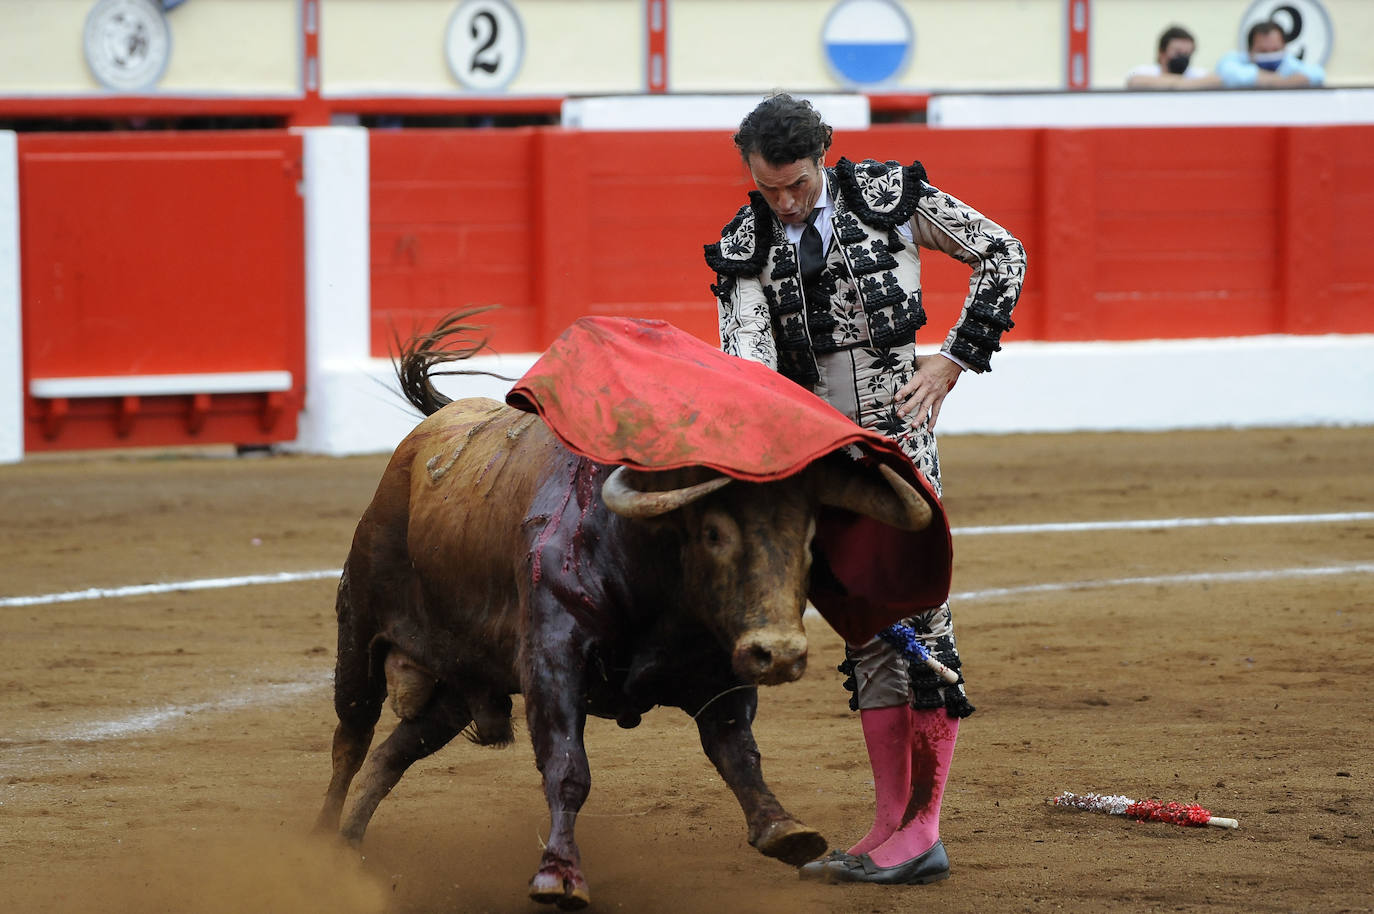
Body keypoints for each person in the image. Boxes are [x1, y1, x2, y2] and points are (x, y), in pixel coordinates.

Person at [704, 93, 1025, 886]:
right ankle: (889, 824)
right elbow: (748, 363)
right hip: (818, 465)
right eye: (769, 188)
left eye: (799, 185)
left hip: (898, 449)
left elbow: (1003, 251)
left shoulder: (889, 200)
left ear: (825, 158)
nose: (785, 202)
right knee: (867, 630)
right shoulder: (745, 245)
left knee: (923, 625)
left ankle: (924, 829)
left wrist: (953, 358)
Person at [1215, 20, 1325, 88]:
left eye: (1275, 50)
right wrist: (1282, 81)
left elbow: (1317, 74)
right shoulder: (1235, 59)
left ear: (1284, 48)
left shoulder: (1289, 62)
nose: (1270, 55)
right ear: (1250, 51)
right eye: (1263, 51)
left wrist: (1268, 81)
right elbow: (1227, 75)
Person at [1125, 25, 1221, 89]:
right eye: (1178, 52)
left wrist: (1172, 83)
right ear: (1161, 52)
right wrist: (1185, 84)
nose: (1183, 57)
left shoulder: (1195, 73)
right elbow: (1135, 81)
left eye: (1187, 53)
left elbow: (1216, 81)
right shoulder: (1146, 71)